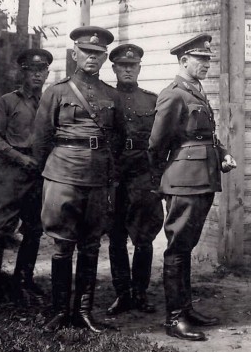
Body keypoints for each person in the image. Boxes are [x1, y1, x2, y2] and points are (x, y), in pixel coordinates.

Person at [32, 26, 126, 333]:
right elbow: (41, 139)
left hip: (98, 177)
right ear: (75, 55)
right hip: (62, 175)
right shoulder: (57, 92)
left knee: (90, 245)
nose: (92, 58)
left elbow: (118, 138)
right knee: (62, 245)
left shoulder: (112, 95)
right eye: (87, 52)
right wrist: (50, 175)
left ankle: (84, 312)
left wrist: (109, 177)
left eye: (98, 54)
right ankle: (60, 311)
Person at [148, 33, 237, 341]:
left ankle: (186, 309)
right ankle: (174, 319)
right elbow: (157, 143)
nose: (206, 65)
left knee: (186, 246)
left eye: (208, 60)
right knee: (177, 248)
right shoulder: (173, 94)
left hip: (202, 177)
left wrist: (222, 152)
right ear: (184, 61)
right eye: (201, 60)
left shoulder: (196, 91)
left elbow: (206, 134)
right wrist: (162, 181)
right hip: (183, 179)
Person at [0, 48, 52, 309]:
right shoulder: (8, 101)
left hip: (41, 172)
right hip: (12, 172)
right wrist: (19, 158)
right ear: (23, 73)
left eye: (43, 71)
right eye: (33, 70)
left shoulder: (50, 102)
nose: (38, 75)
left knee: (34, 229)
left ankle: (23, 281)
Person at [105, 43, 164, 316]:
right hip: (114, 176)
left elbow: (162, 140)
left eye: (132, 65)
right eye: (122, 65)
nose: (127, 69)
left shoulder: (152, 101)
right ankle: (122, 294)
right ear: (114, 68)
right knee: (116, 238)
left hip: (143, 175)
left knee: (144, 238)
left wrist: (158, 179)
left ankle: (140, 293)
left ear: (139, 67)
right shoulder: (104, 98)